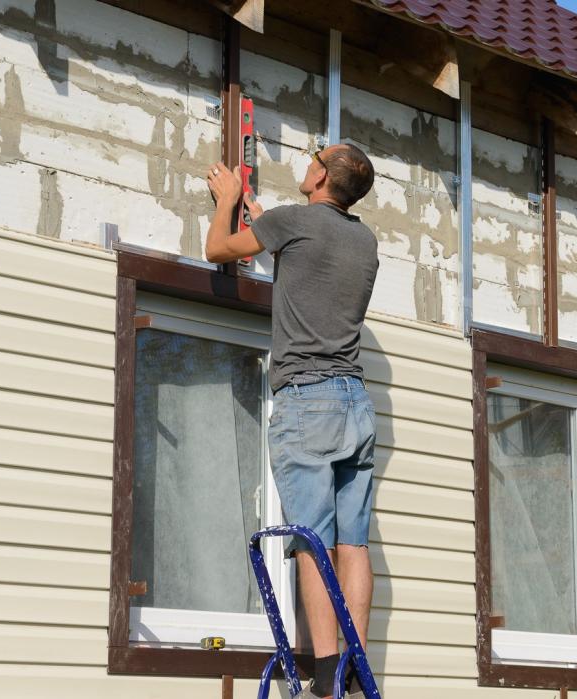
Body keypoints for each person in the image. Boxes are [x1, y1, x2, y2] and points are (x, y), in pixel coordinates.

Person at [204, 143, 379, 699]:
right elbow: (292, 242)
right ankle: (354, 663)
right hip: (356, 402)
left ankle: (326, 669)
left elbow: (216, 249)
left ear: (325, 175)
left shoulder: (292, 223)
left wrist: (228, 200)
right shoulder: (363, 240)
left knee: (312, 540)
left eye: (315, 158)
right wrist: (257, 208)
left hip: (307, 400)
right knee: (353, 543)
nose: (308, 162)